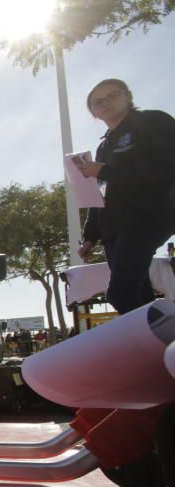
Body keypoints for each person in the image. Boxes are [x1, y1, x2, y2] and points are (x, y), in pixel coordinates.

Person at [75, 78, 175, 314]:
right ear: (93, 113)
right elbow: (99, 193)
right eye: (97, 102)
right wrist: (90, 236)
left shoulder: (153, 122)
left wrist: (105, 170)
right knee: (139, 296)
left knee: (121, 293)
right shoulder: (103, 147)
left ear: (127, 96)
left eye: (112, 95)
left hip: (148, 217)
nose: (105, 103)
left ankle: (159, 342)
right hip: (114, 229)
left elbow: (166, 169)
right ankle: (156, 347)